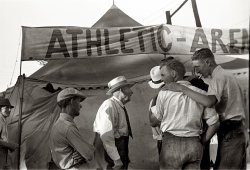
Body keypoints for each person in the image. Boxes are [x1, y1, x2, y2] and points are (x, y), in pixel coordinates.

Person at [163, 48, 247, 169]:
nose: (197, 71)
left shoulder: (218, 78)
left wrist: (183, 89)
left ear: (208, 62)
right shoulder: (226, 75)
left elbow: (209, 102)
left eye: (198, 66)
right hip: (237, 128)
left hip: (231, 129)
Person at [150, 59, 220, 169]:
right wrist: (202, 141)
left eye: (163, 75)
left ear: (173, 74)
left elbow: (153, 121)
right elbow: (215, 124)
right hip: (194, 142)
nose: (162, 78)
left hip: (171, 144)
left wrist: (153, 104)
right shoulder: (202, 94)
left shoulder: (163, 94)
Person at [93, 76, 133, 170]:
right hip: (109, 152)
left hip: (119, 147)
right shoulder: (109, 105)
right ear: (120, 90)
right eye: (128, 88)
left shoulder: (119, 106)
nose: (131, 92)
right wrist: (116, 158)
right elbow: (106, 135)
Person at [49, 88, 95, 169]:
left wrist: (81, 152)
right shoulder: (67, 127)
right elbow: (89, 154)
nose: (80, 106)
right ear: (71, 101)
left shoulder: (59, 124)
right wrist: (88, 149)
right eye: (78, 101)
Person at [148, 66, 165, 155]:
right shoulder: (157, 100)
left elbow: (152, 123)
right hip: (166, 139)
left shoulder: (153, 100)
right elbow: (153, 122)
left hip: (161, 139)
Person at [0, 98, 17, 168]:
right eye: (6, 108)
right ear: (0, 108)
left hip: (3, 153)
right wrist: (10, 145)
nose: (9, 110)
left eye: (10, 108)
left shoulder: (3, 120)